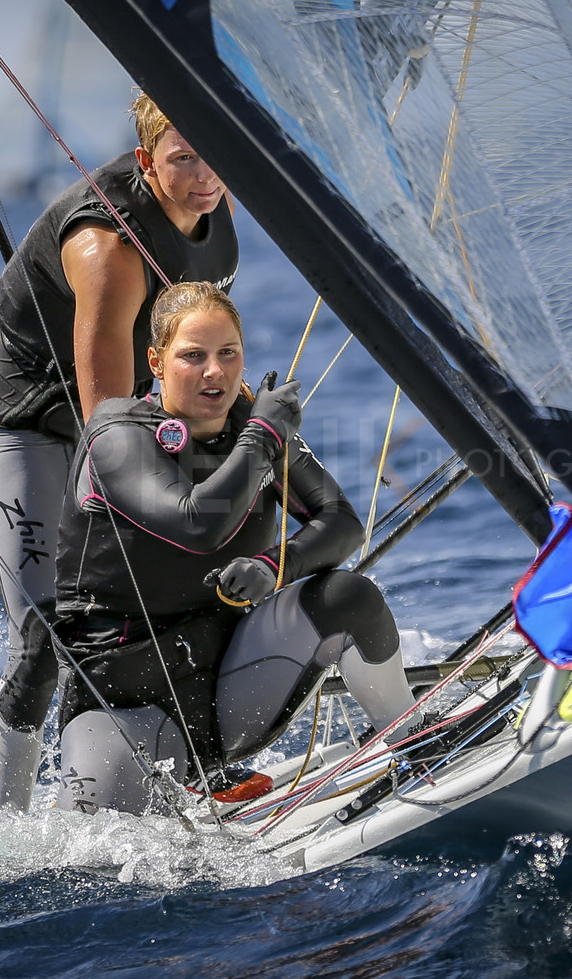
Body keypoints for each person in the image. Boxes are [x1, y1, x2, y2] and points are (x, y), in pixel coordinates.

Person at [0, 94, 239, 810]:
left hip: (117, 411)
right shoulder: (108, 249)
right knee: (49, 635)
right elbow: (109, 434)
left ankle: (191, 769)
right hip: (22, 421)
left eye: (214, 154)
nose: (205, 174)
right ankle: (6, 828)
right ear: (147, 163)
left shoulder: (216, 207)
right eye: (183, 159)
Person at [49, 281, 418, 814]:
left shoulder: (254, 426)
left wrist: (274, 565)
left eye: (228, 354)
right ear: (155, 360)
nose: (215, 372)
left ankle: (413, 742)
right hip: (124, 708)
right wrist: (264, 435)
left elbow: (341, 523)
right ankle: (187, 789)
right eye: (192, 356)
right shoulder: (118, 435)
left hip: (228, 694)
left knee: (347, 596)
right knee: (96, 859)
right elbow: (197, 523)